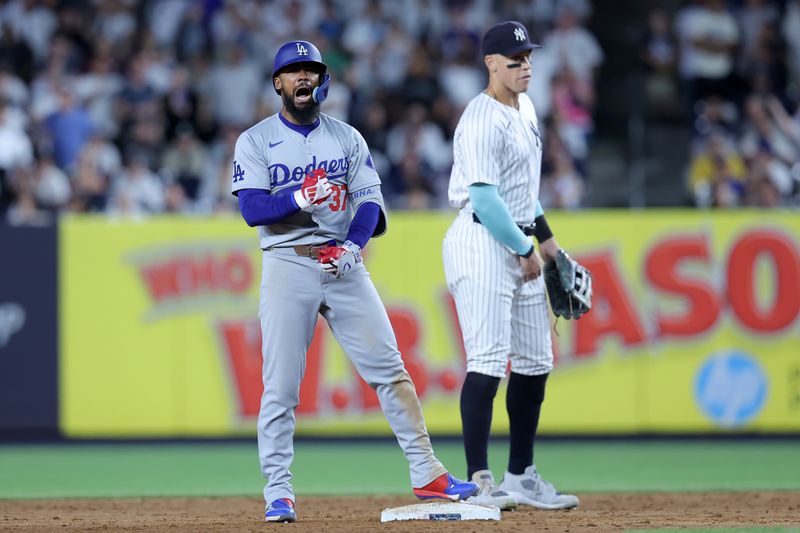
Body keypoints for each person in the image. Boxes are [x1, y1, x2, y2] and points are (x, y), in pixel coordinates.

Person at [231, 40, 478, 523]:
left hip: (343, 264)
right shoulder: (255, 140)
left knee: (391, 371)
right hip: (287, 262)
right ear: (278, 83)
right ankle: (278, 493)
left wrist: (353, 246)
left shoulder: (347, 137)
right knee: (280, 387)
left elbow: (369, 203)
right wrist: (298, 196)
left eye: (311, 70)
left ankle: (427, 472)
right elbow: (251, 209)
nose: (303, 78)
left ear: (324, 80)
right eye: (293, 71)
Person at [442, 21, 580, 511]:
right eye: (515, 58)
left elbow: (523, 194)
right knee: (486, 363)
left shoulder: (526, 107)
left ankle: (520, 475)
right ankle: (477, 483)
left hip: (516, 236)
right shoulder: (479, 118)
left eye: (528, 57)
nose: (525, 65)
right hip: (481, 241)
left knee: (536, 362)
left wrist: (548, 246)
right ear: (490, 63)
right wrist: (524, 248)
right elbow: (483, 198)